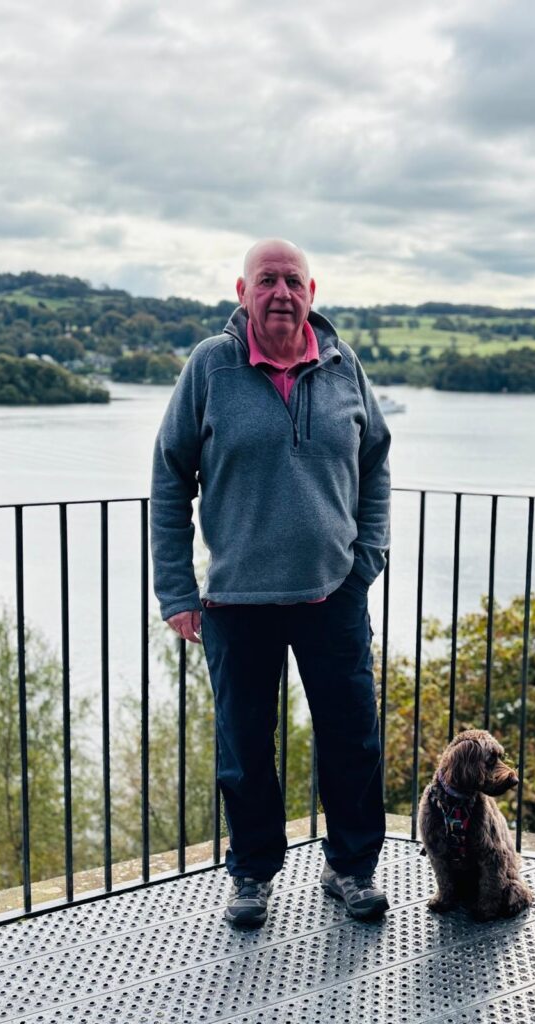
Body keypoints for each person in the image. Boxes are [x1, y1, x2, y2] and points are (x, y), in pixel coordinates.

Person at [150, 238, 391, 927]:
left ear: (311, 293)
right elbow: (170, 476)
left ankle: (351, 869)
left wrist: (367, 554)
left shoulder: (345, 365)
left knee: (351, 739)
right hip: (235, 600)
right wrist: (176, 590)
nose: (280, 292)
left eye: (292, 281)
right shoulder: (211, 367)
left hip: (331, 593)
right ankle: (252, 875)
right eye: (267, 280)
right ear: (242, 290)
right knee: (245, 748)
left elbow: (375, 459)